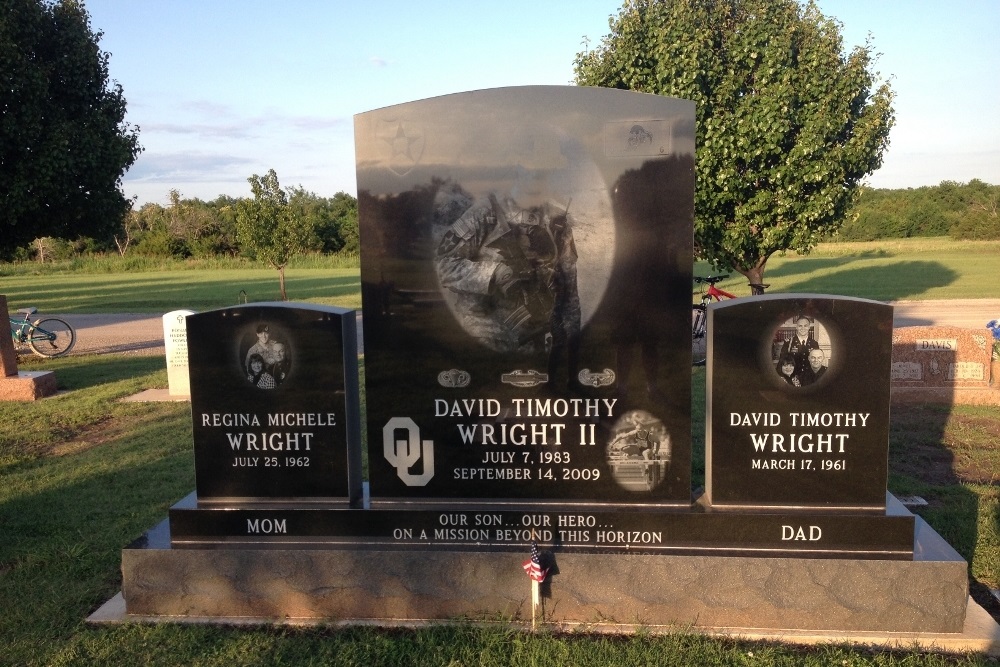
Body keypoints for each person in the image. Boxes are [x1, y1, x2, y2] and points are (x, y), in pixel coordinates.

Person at [435, 192, 580, 366]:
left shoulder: (557, 219)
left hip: (534, 338)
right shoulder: (485, 213)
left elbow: (569, 283)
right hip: (486, 335)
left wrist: (573, 335)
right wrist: (494, 273)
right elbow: (443, 265)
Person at [777, 315, 819, 382]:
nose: (803, 328)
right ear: (796, 327)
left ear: (809, 327)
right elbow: (782, 362)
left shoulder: (814, 344)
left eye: (805, 326)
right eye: (800, 326)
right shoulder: (789, 343)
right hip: (793, 379)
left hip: (809, 378)